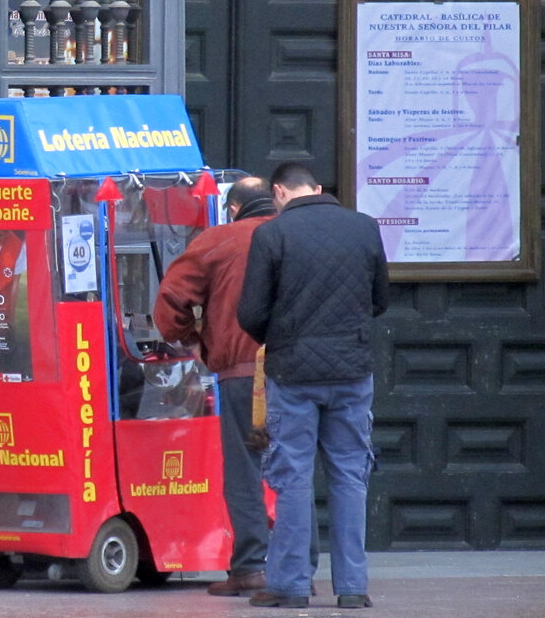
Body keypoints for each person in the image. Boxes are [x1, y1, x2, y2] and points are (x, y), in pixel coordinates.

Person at [236, 162, 389, 610]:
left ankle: (290, 585)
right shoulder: (364, 227)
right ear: (317, 188)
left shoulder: (272, 234)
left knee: (293, 477)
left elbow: (250, 312)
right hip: (352, 371)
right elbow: (381, 299)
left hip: (293, 374)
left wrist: (281, 337)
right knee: (350, 476)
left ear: (279, 192)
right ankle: (353, 587)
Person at [152, 176, 277, 597]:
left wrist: (192, 340)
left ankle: (251, 567)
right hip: (300, 371)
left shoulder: (220, 239)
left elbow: (171, 298)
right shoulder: (297, 235)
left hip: (243, 370)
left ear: (234, 208)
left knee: (244, 470)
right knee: (294, 470)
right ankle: (297, 567)